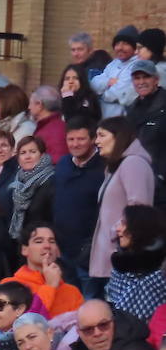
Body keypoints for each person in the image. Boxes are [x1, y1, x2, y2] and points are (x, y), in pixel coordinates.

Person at [89, 118, 157, 296]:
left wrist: (115, 235)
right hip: (113, 257)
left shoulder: (133, 164)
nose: (96, 141)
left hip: (123, 259)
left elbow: (139, 209)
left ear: (119, 137)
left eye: (102, 135)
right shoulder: (116, 167)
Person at [52, 118, 106, 295]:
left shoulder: (104, 167)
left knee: (90, 301)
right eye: (71, 139)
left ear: (92, 139)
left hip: (89, 253)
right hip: (62, 249)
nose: (75, 144)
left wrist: (90, 246)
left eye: (81, 139)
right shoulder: (63, 164)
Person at [6, 225, 83, 318]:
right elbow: (24, 325)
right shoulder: (9, 285)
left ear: (58, 251)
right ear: (24, 249)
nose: (47, 246)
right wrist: (50, 286)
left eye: (52, 241)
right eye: (38, 241)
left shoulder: (72, 291)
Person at [106, 204, 166, 321]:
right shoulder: (121, 265)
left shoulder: (160, 276)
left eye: (124, 223)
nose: (118, 228)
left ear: (139, 229)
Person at [5, 135, 56, 240]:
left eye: (33, 152)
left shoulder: (52, 181)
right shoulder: (17, 181)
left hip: (44, 242)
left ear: (42, 155)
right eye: (23, 153)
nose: (27, 157)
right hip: (23, 242)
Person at [126, 58, 166, 189]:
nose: (141, 82)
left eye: (146, 77)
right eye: (137, 78)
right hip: (137, 176)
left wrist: (161, 175)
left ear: (156, 79)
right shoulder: (132, 109)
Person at [91, 25, 141, 118]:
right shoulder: (113, 64)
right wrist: (108, 82)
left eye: (125, 44)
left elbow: (123, 94)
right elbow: (94, 83)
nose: (120, 48)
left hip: (123, 120)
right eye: (117, 44)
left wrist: (101, 95)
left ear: (135, 47)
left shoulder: (138, 65)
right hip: (104, 118)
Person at [28, 87, 69, 162]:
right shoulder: (52, 126)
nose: (29, 107)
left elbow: (57, 162)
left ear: (39, 104)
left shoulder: (54, 131)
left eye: (30, 103)